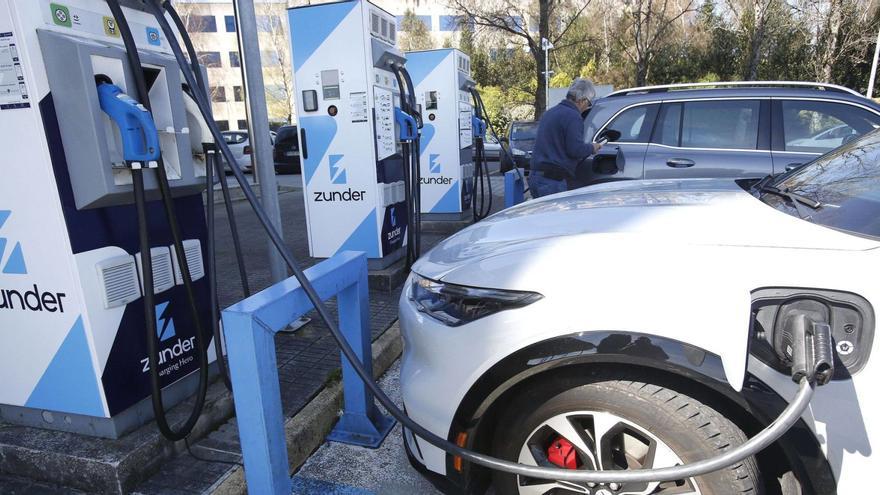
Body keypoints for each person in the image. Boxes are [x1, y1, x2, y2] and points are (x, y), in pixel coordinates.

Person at [528, 78, 603, 198]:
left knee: (542, 216)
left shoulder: (550, 113)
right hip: (553, 182)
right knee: (556, 216)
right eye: (589, 103)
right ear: (582, 100)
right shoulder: (573, 117)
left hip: (536, 177)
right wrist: (592, 147)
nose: (587, 107)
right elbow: (575, 150)